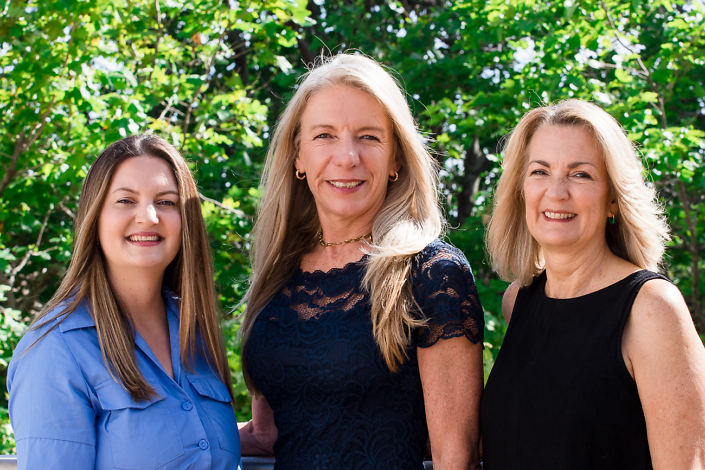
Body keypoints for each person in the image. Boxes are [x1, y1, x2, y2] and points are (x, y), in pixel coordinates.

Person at [237, 53, 485, 469]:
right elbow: (268, 434)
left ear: (396, 158)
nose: (347, 157)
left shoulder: (432, 273)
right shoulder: (279, 274)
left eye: (369, 137)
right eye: (324, 135)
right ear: (298, 156)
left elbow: (454, 457)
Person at [481, 100, 705, 469]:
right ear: (521, 190)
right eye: (539, 171)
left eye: (580, 174)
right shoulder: (517, 301)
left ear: (613, 199)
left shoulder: (651, 309)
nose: (556, 192)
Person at [7, 135, 241, 470]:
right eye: (125, 200)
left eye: (166, 202)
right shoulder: (55, 351)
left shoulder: (196, 332)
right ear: (95, 217)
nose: (148, 216)